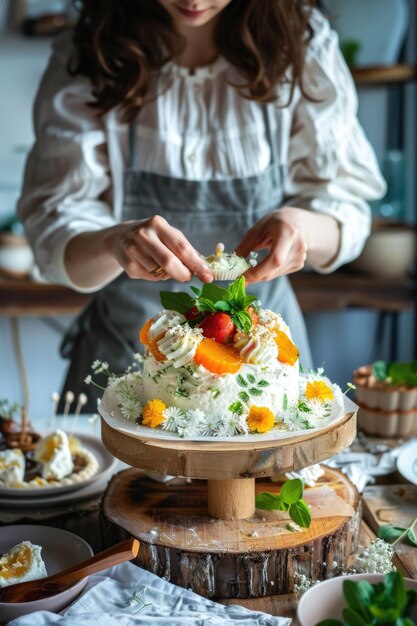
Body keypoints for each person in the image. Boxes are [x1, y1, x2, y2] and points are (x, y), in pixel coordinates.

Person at [18, 0, 386, 411]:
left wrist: (303, 227)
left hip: (261, 368)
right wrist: (113, 243)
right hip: (128, 355)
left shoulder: (298, 43)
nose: (193, 0)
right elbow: (53, 224)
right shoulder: (91, 51)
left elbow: (348, 205)